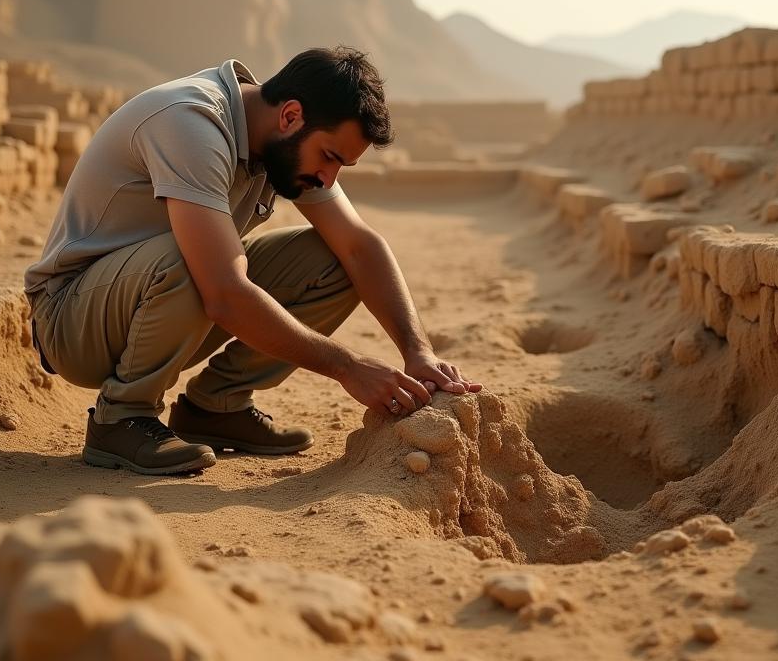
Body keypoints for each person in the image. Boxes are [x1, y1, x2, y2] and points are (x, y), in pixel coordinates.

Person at [24, 46, 481, 475]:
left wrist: (417, 351)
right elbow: (223, 291)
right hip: (73, 320)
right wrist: (349, 367)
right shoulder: (193, 123)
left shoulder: (279, 138)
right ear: (290, 115)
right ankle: (121, 418)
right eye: (329, 157)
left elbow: (360, 247)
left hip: (158, 303)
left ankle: (217, 407)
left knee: (336, 260)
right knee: (200, 259)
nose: (328, 176)